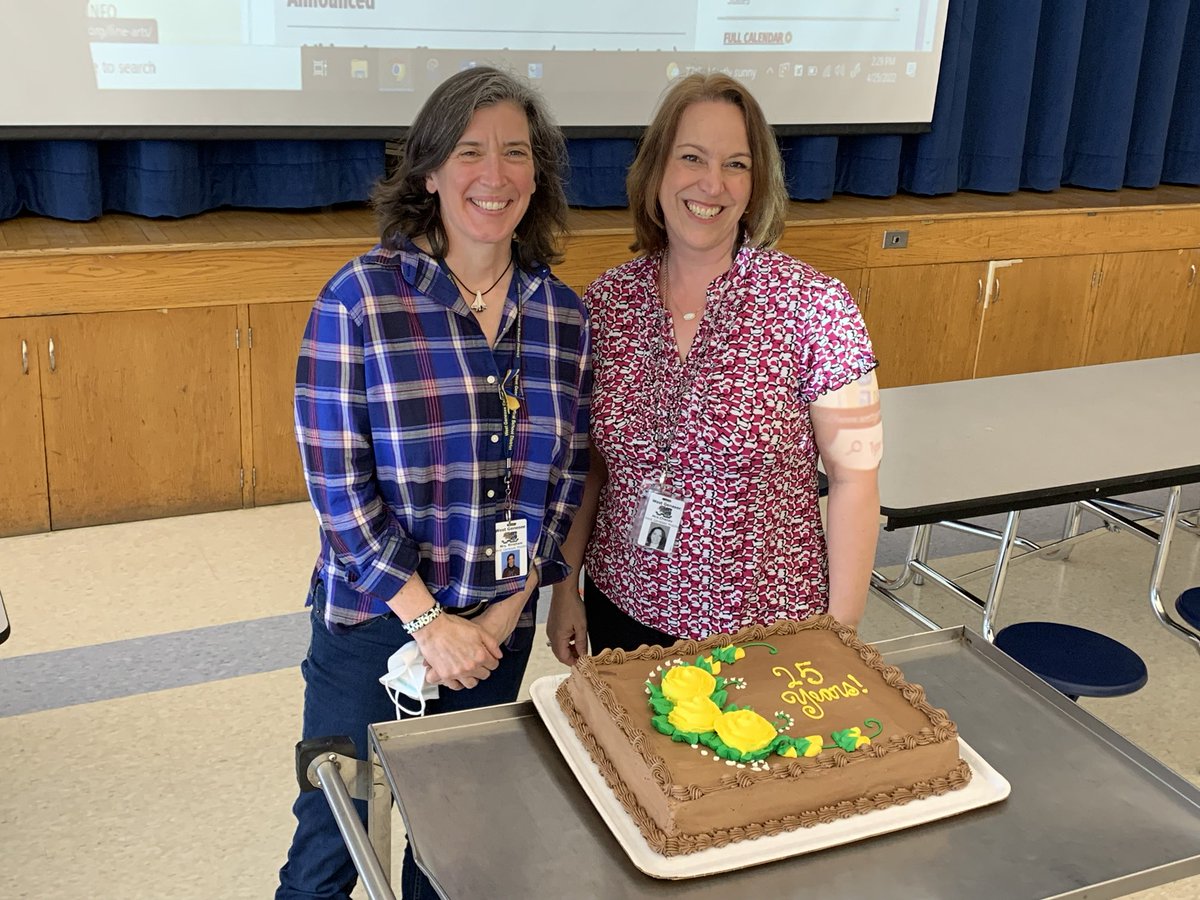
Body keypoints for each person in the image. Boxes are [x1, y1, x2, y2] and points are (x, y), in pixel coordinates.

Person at [277, 66, 590, 900]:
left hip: (498, 628)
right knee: (329, 848)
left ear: (540, 172)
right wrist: (429, 623)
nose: (496, 175)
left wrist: (509, 610)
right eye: (470, 151)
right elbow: (337, 490)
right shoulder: (359, 300)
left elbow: (566, 475)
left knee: (458, 849)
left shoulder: (562, 315)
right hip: (376, 629)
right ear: (428, 170)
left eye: (517, 152)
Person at [547, 73, 880, 661]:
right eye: (692, 158)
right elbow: (592, 467)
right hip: (621, 610)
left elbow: (855, 480)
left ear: (757, 185)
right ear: (655, 172)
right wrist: (565, 590)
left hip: (766, 630)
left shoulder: (816, 306)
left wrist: (839, 633)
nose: (712, 183)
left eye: (736, 164)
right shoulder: (605, 303)